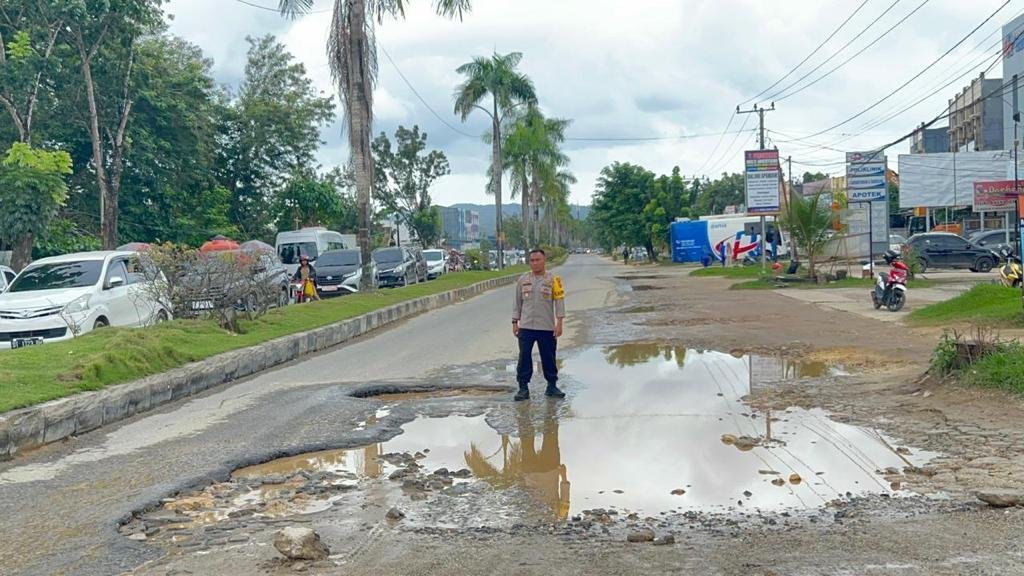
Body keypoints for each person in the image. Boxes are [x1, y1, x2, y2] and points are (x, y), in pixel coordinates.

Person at [512, 248, 566, 401]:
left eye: (538, 260)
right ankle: (523, 388)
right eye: (532, 260)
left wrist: (559, 323)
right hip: (526, 326)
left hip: (546, 326)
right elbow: (517, 302)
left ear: (544, 261)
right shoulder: (523, 280)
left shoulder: (553, 280)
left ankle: (552, 386)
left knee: (548, 356)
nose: (535, 263)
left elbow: (560, 302)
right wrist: (515, 322)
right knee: (524, 357)